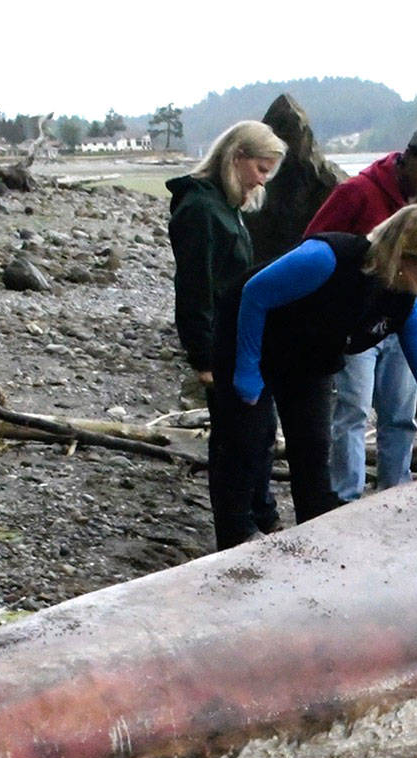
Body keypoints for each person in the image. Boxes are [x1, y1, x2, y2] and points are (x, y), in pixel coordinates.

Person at [208, 204, 417, 550]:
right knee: (247, 441)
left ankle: (313, 539)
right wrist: (247, 371)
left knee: (313, 449)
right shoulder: (328, 258)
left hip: (308, 356)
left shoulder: (404, 304)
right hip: (246, 335)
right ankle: (235, 536)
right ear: (406, 257)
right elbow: (253, 295)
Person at [304, 124, 417, 502]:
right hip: (356, 321)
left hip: (405, 317)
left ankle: (394, 493)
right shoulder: (357, 192)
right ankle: (345, 498)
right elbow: (315, 243)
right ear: (408, 157)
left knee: (401, 414)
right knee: (353, 408)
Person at [166, 120, 287, 538]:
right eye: (261, 169)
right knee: (237, 443)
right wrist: (201, 357)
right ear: (237, 157)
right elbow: (194, 287)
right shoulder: (200, 210)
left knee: (258, 434)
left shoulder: (225, 206)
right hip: (220, 345)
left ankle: (260, 515)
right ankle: (238, 530)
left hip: (242, 340)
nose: (262, 181)